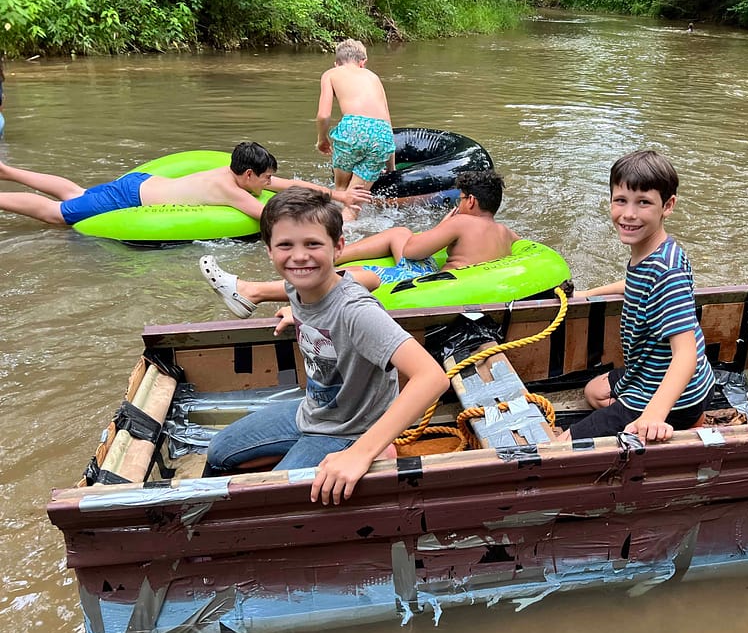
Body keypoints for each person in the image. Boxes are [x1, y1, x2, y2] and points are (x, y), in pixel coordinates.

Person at [205, 186, 449, 504]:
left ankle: (378, 451)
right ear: (269, 251)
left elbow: (432, 377)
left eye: (312, 244)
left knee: (275, 500)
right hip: (315, 412)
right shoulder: (298, 286)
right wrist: (301, 315)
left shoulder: (355, 311)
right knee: (218, 453)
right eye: (285, 245)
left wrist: (362, 453)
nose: (299, 256)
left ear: (338, 247)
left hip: (352, 429)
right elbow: (367, 278)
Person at [200, 169, 519, 318]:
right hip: (466, 287)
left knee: (375, 267)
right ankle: (329, 257)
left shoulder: (462, 221)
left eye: (462, 199)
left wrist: (447, 224)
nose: (459, 203)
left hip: (434, 287)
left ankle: (252, 291)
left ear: (472, 202)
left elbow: (412, 252)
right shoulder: (506, 233)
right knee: (398, 233)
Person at [557, 150, 714, 445]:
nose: (629, 214)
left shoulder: (667, 274)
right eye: (621, 200)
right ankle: (680, 416)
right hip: (652, 374)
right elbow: (634, 283)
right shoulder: (656, 254)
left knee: (563, 448)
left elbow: (686, 353)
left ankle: (679, 419)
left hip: (670, 394)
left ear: (668, 206)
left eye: (644, 202)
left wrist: (653, 415)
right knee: (594, 391)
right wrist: (586, 294)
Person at [0, 141, 369, 227]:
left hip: (140, 183)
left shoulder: (236, 173)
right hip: (131, 198)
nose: (271, 182)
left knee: (75, 192)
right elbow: (271, 219)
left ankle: (6, 170)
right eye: (266, 177)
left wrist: (338, 194)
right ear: (248, 176)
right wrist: (341, 219)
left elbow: (289, 184)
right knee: (58, 215)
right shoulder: (232, 190)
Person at [316, 38, 395, 221]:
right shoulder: (373, 77)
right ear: (363, 63)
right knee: (354, 205)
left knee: (342, 192)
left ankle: (328, 235)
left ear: (336, 62)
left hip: (352, 129)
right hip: (381, 135)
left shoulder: (331, 74)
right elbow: (387, 124)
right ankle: (348, 239)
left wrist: (322, 139)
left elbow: (323, 115)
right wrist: (391, 167)